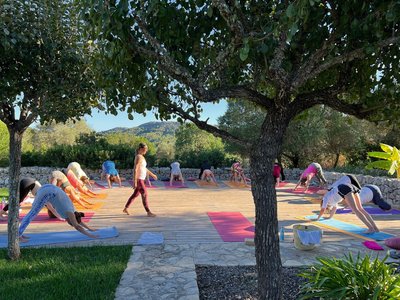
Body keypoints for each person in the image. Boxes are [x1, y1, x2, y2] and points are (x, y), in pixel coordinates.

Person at [19, 184, 98, 242]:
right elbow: (77, 226)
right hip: (48, 192)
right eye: (71, 223)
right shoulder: (69, 212)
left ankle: (20, 233)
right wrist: (90, 235)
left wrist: (89, 228)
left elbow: (78, 222)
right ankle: (18, 235)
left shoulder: (74, 211)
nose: (70, 224)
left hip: (48, 188)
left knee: (32, 212)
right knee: (32, 214)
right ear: (71, 219)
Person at [311, 175, 379, 233]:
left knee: (355, 210)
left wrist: (318, 218)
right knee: (360, 208)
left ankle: (371, 228)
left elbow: (323, 209)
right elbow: (335, 208)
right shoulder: (332, 200)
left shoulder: (325, 198)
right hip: (349, 186)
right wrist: (329, 217)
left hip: (344, 188)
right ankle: (375, 228)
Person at [123, 143, 157, 216]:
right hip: (139, 179)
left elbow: (144, 168)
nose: (146, 150)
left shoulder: (141, 157)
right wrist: (135, 181)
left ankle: (126, 208)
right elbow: (135, 169)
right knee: (144, 194)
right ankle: (148, 212)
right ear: (141, 149)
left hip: (141, 179)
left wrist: (152, 175)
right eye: (145, 149)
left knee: (135, 194)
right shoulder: (138, 157)